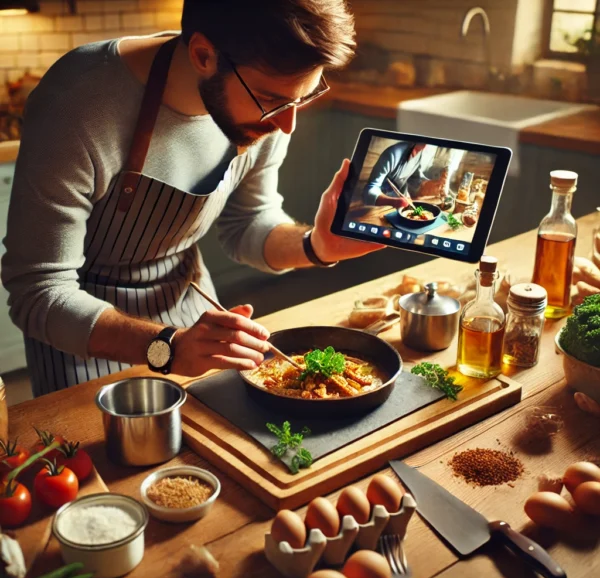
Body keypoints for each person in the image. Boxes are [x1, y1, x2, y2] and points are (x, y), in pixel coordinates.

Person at [1, 0, 383, 397]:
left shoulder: (267, 109)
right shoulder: (80, 102)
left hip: (192, 317)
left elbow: (248, 225)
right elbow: (38, 291)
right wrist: (166, 345)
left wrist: (317, 245)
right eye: (272, 100)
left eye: (302, 98)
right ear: (204, 55)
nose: (287, 124)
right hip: (81, 337)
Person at [363, 142, 444, 208]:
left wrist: (429, 184)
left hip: (401, 204)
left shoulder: (420, 155)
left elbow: (415, 179)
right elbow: (368, 191)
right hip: (376, 206)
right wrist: (394, 202)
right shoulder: (392, 154)